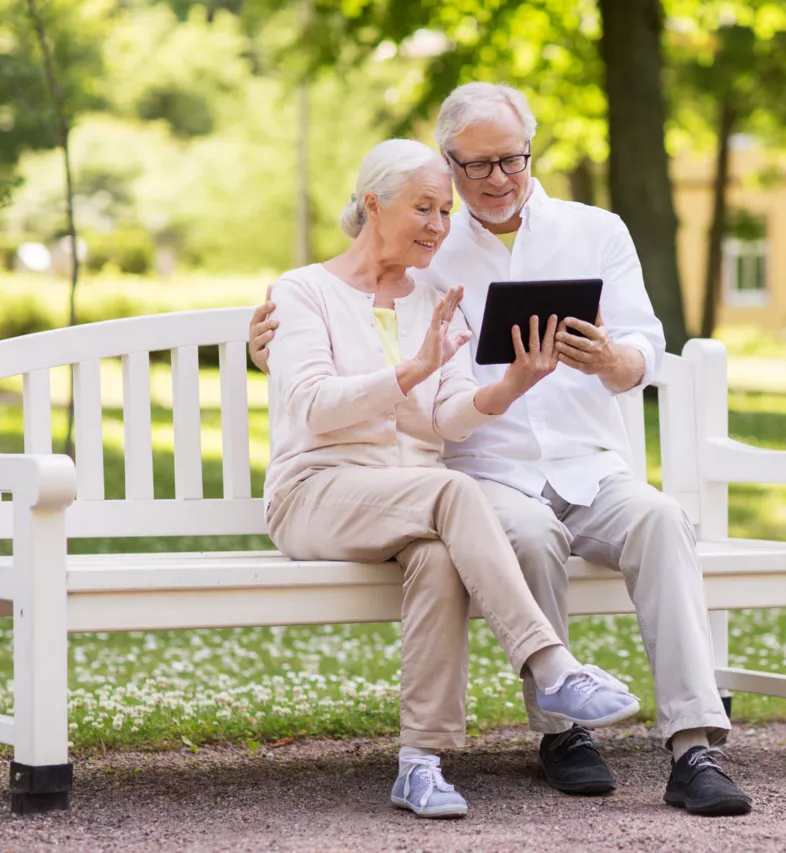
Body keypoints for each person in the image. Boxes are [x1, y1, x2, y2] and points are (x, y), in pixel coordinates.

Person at [252, 84, 752, 817]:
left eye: (510, 159)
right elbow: (337, 314)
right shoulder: (427, 250)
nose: (493, 180)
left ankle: (694, 745)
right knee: (528, 532)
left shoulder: (594, 230)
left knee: (662, 519)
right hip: (480, 476)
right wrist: (260, 341)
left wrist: (612, 361)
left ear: (531, 149)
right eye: (471, 168)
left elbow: (645, 343)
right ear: (446, 164)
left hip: (587, 464)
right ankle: (564, 725)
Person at [264, 138, 639, 820]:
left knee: (440, 556)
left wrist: (514, 386)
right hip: (317, 492)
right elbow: (316, 406)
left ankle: (420, 763)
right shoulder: (303, 291)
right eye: (424, 208)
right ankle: (550, 664)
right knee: (455, 492)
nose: (439, 226)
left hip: (411, 502)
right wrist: (412, 368)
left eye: (444, 210)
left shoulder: (435, 295)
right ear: (373, 204)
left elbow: (450, 419)